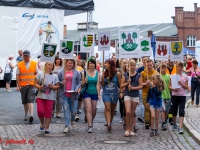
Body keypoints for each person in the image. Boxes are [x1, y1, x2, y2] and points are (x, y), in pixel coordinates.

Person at [34, 62, 60, 133]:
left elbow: (58, 86)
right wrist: (39, 87)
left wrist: (53, 87)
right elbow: (35, 83)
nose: (50, 66)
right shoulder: (40, 74)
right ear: (45, 65)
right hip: (41, 96)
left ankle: (47, 127)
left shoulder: (55, 76)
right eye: (48, 65)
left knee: (48, 112)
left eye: (51, 65)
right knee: (40, 111)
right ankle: (42, 123)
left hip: (50, 97)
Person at [58, 59, 81, 133]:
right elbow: (58, 81)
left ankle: (72, 119)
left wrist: (77, 89)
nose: (70, 64)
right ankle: (67, 126)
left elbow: (79, 83)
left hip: (73, 94)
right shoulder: (61, 72)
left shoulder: (76, 72)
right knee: (66, 109)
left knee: (74, 110)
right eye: (69, 63)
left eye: (71, 63)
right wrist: (61, 83)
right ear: (66, 63)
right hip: (64, 94)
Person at [121, 59, 143, 137]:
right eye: (131, 65)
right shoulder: (125, 75)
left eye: (134, 65)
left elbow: (141, 86)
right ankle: (127, 128)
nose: (133, 67)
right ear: (128, 66)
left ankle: (130, 129)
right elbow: (121, 85)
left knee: (132, 113)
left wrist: (133, 88)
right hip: (127, 94)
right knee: (128, 112)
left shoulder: (139, 75)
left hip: (135, 95)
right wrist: (127, 83)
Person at [16, 50, 38, 123]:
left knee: (30, 100)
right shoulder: (19, 64)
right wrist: (19, 86)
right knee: (25, 101)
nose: (26, 57)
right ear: (23, 56)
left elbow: (37, 74)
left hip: (32, 85)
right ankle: (26, 114)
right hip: (23, 85)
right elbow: (17, 76)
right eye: (25, 56)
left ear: (30, 56)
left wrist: (37, 84)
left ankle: (31, 115)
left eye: (27, 56)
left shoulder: (34, 63)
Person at [101, 59, 121, 132]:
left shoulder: (117, 74)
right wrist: (103, 79)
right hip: (106, 93)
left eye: (106, 63)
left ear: (111, 64)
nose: (105, 64)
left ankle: (110, 122)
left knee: (112, 110)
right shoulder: (104, 73)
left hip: (114, 93)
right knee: (108, 108)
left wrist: (121, 92)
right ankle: (109, 124)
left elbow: (120, 85)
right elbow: (102, 85)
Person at [82, 57, 100, 133]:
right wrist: (84, 82)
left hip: (94, 93)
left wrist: (98, 94)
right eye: (90, 63)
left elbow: (98, 84)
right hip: (87, 92)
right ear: (88, 65)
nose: (92, 65)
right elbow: (82, 84)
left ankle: (91, 121)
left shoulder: (97, 74)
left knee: (94, 111)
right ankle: (90, 125)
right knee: (88, 109)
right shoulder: (84, 73)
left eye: (93, 63)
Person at [170, 62, 188, 134]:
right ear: (176, 67)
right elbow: (169, 86)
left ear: (183, 67)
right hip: (174, 95)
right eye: (178, 66)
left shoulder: (185, 76)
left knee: (181, 111)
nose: (180, 68)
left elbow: (187, 87)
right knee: (174, 111)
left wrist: (182, 84)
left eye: (181, 66)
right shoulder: (173, 76)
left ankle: (180, 127)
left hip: (182, 95)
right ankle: (174, 124)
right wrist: (173, 89)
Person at [141, 59, 158, 129]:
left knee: (152, 108)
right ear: (145, 65)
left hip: (153, 93)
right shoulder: (143, 73)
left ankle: (151, 121)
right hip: (145, 93)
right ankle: (147, 121)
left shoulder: (156, 73)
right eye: (148, 65)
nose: (149, 66)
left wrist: (152, 83)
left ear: (153, 65)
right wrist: (145, 83)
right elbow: (140, 84)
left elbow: (158, 83)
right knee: (147, 107)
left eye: (150, 65)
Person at [160, 63, 171, 130]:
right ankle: (163, 122)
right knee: (163, 110)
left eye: (164, 68)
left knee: (166, 110)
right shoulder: (159, 76)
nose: (163, 70)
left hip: (168, 95)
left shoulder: (168, 76)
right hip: (161, 96)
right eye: (162, 68)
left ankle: (165, 120)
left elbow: (170, 85)